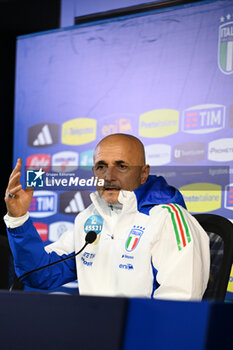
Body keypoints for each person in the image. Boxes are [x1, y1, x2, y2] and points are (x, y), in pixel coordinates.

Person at [4, 134, 210, 300]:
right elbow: (38, 273)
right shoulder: (88, 218)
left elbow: (179, 307)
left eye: (121, 166)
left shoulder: (167, 219)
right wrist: (19, 218)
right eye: (101, 166)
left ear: (143, 173)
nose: (108, 176)